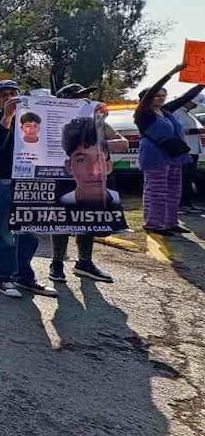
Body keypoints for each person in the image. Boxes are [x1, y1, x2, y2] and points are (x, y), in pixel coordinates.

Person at [0, 79, 57, 298]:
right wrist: (7, 116)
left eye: (14, 93)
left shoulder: (32, 119)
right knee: (5, 233)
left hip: (31, 181)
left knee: (30, 231)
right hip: (5, 181)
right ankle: (3, 278)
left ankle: (24, 276)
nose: (10, 98)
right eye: (4, 95)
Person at [48, 84, 129, 283]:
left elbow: (123, 143)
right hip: (61, 176)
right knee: (61, 220)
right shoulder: (54, 120)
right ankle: (56, 263)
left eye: (86, 96)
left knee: (87, 218)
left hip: (92, 177)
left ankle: (84, 262)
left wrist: (95, 146)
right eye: (79, 97)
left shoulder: (97, 122)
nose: (85, 100)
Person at [134, 63, 204, 235]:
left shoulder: (165, 111)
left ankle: (170, 222)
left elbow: (184, 98)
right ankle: (154, 224)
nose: (160, 98)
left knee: (174, 189)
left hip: (173, 154)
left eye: (163, 95)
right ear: (147, 99)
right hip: (154, 155)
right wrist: (172, 72)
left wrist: (202, 82)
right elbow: (153, 90)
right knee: (157, 190)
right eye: (156, 96)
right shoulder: (144, 113)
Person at [172, 94, 205, 210]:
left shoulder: (188, 114)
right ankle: (181, 204)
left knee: (189, 178)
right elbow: (179, 130)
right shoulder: (177, 113)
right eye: (194, 103)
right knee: (183, 178)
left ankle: (187, 203)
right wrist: (200, 130)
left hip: (193, 150)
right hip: (185, 150)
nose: (195, 106)